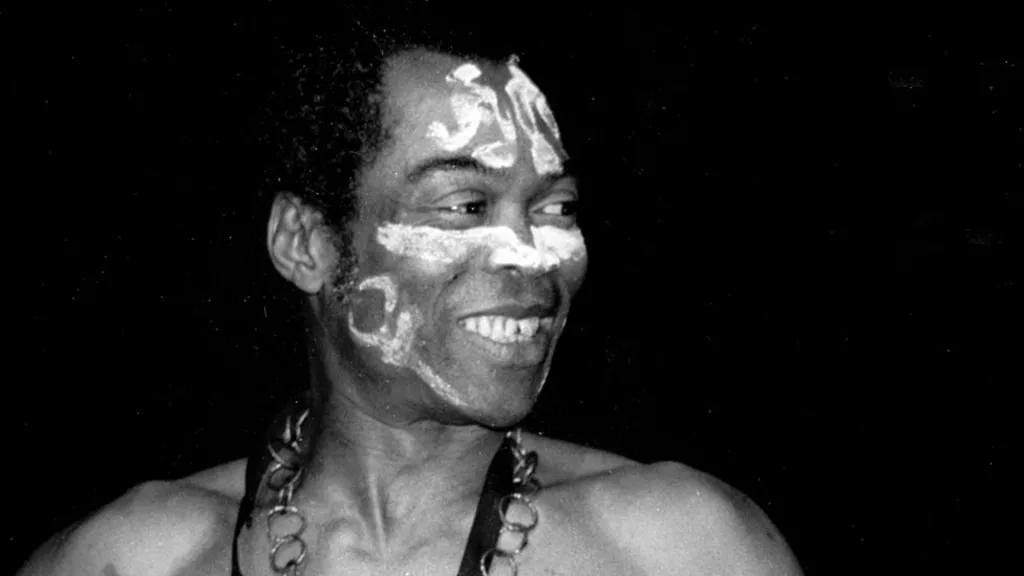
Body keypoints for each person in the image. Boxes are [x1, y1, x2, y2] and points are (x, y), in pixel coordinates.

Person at [19, 16, 802, 576]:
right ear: (308, 244)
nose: (531, 256)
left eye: (555, 208)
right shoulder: (134, 557)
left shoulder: (685, 547)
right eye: (465, 206)